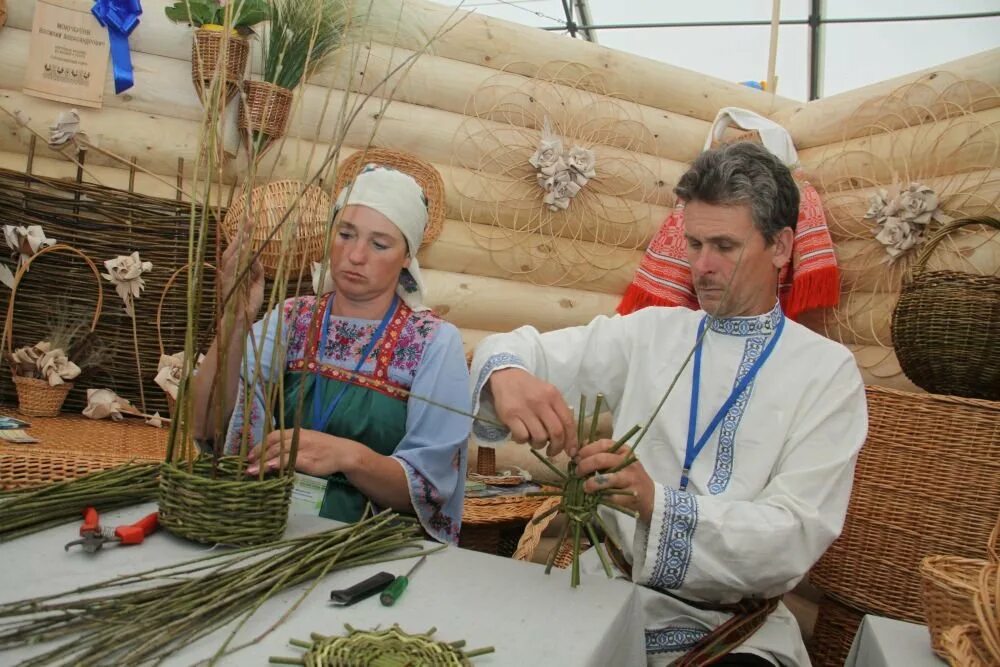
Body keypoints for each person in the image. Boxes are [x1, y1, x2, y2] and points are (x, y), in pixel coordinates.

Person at [470, 142, 867, 665]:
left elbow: (793, 533)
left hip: (733, 628)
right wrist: (508, 372)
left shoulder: (827, 373)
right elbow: (523, 349)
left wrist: (656, 501)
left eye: (724, 245)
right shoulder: (654, 332)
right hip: (611, 590)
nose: (702, 266)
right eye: (694, 242)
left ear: (781, 246)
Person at [193, 164, 471, 544]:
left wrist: (350, 457)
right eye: (345, 234)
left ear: (407, 256)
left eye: (379, 244)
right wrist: (235, 320)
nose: (355, 255)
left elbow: (428, 490)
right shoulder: (292, 319)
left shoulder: (432, 343)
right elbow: (209, 428)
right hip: (265, 529)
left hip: (368, 550)